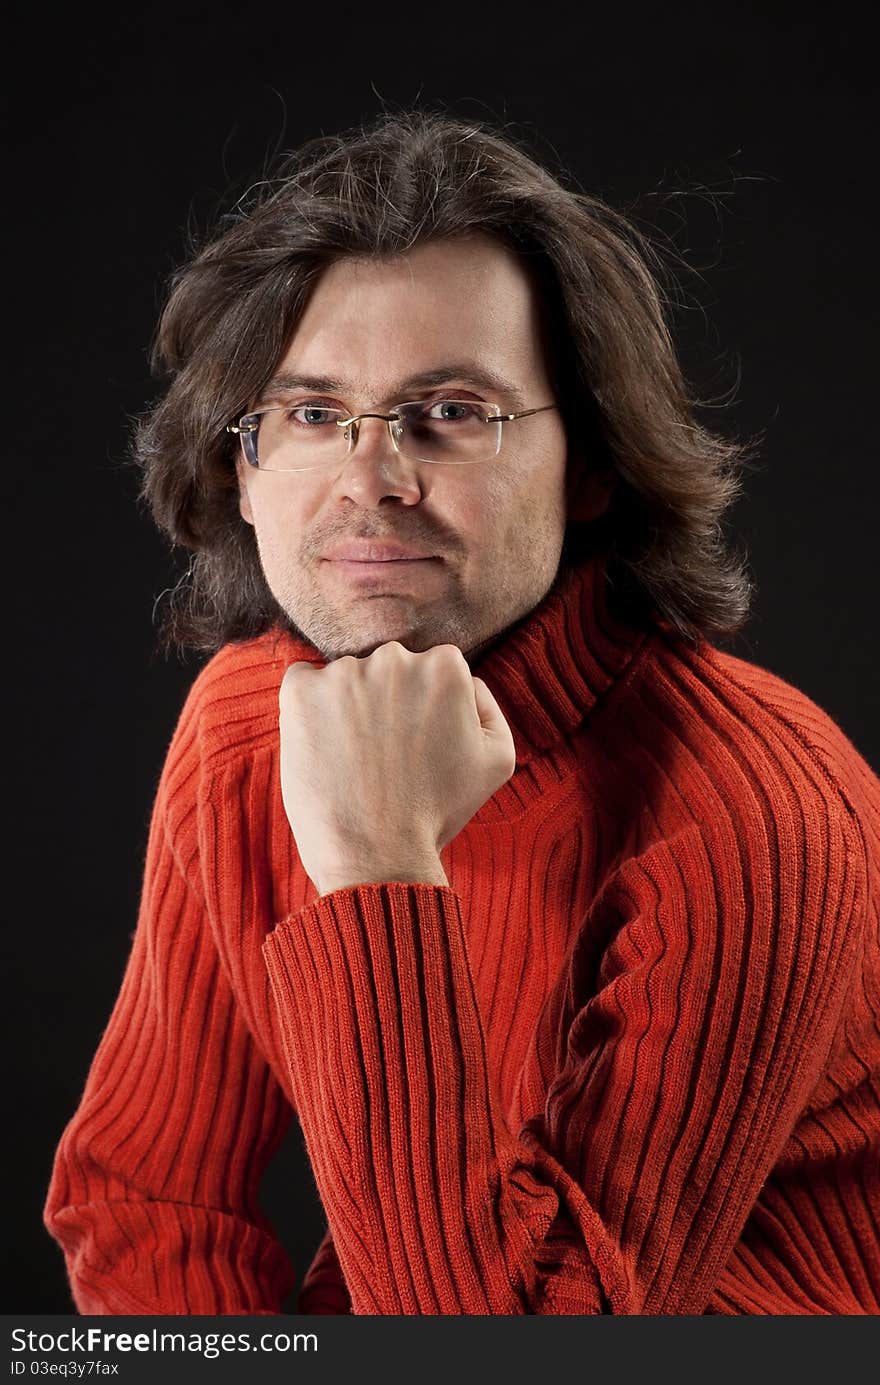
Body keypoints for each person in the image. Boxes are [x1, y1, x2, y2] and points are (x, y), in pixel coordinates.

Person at [43, 108, 879, 1316]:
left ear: (591, 462)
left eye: (449, 411)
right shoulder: (247, 718)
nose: (370, 476)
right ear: (243, 461)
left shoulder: (752, 817)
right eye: (313, 414)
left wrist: (379, 869)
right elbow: (146, 1198)